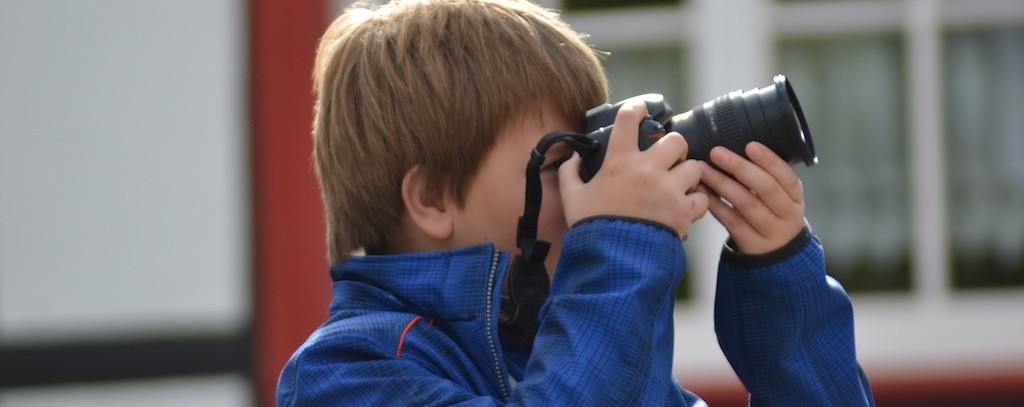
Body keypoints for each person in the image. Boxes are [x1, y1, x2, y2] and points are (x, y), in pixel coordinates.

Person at [276, 0, 874, 405]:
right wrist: (620, 241)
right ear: (433, 198)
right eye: (558, 163)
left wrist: (777, 277)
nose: (585, 189)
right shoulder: (345, 373)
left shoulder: (574, 346)